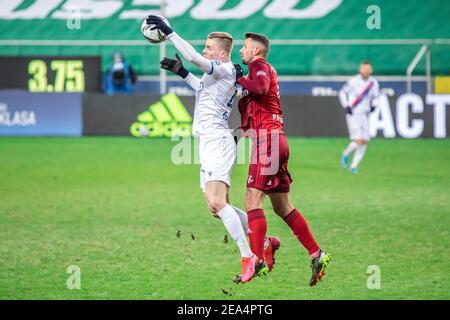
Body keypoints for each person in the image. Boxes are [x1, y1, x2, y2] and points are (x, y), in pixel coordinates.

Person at [145, 15, 258, 283]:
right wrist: (181, 73)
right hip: (209, 142)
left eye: (209, 47)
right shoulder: (222, 74)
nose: (205, 51)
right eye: (205, 47)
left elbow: (196, 58)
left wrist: (170, 33)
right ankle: (262, 237)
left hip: (218, 140)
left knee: (218, 203)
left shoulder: (225, 69)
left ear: (221, 52)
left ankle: (248, 256)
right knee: (215, 207)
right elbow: (202, 89)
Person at [235, 32, 331, 286]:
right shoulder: (259, 69)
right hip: (276, 140)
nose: (241, 51)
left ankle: (256, 259)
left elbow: (261, 87)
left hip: (269, 141)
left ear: (257, 50)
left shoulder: (259, 66)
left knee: (251, 199)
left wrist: (239, 77)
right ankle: (317, 254)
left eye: (244, 47)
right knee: (281, 206)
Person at [338, 61, 380, 174]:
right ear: (360, 69)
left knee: (364, 141)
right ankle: (346, 153)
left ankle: (353, 166)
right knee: (358, 140)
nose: (366, 71)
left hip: (366, 114)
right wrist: (346, 105)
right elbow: (342, 92)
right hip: (354, 113)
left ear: (371, 70)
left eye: (368, 69)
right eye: (364, 69)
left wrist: (374, 106)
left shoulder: (373, 83)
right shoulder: (353, 81)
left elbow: (376, 97)